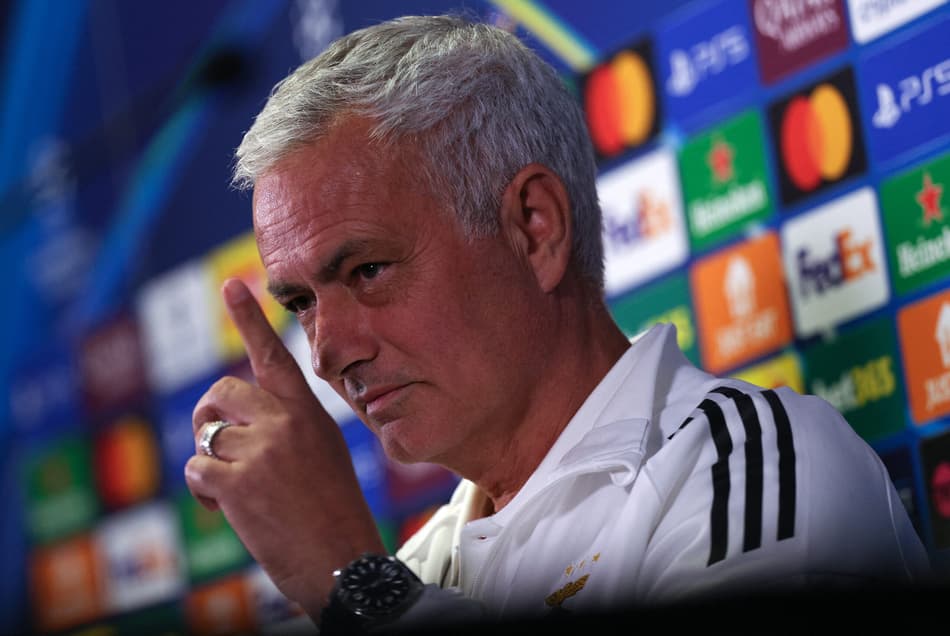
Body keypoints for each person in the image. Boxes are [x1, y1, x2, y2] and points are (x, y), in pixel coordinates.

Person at [184, 13, 932, 634]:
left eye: (368, 270)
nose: (327, 354)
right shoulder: (418, 572)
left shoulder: (753, 469)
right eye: (302, 304)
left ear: (534, 228)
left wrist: (349, 575)